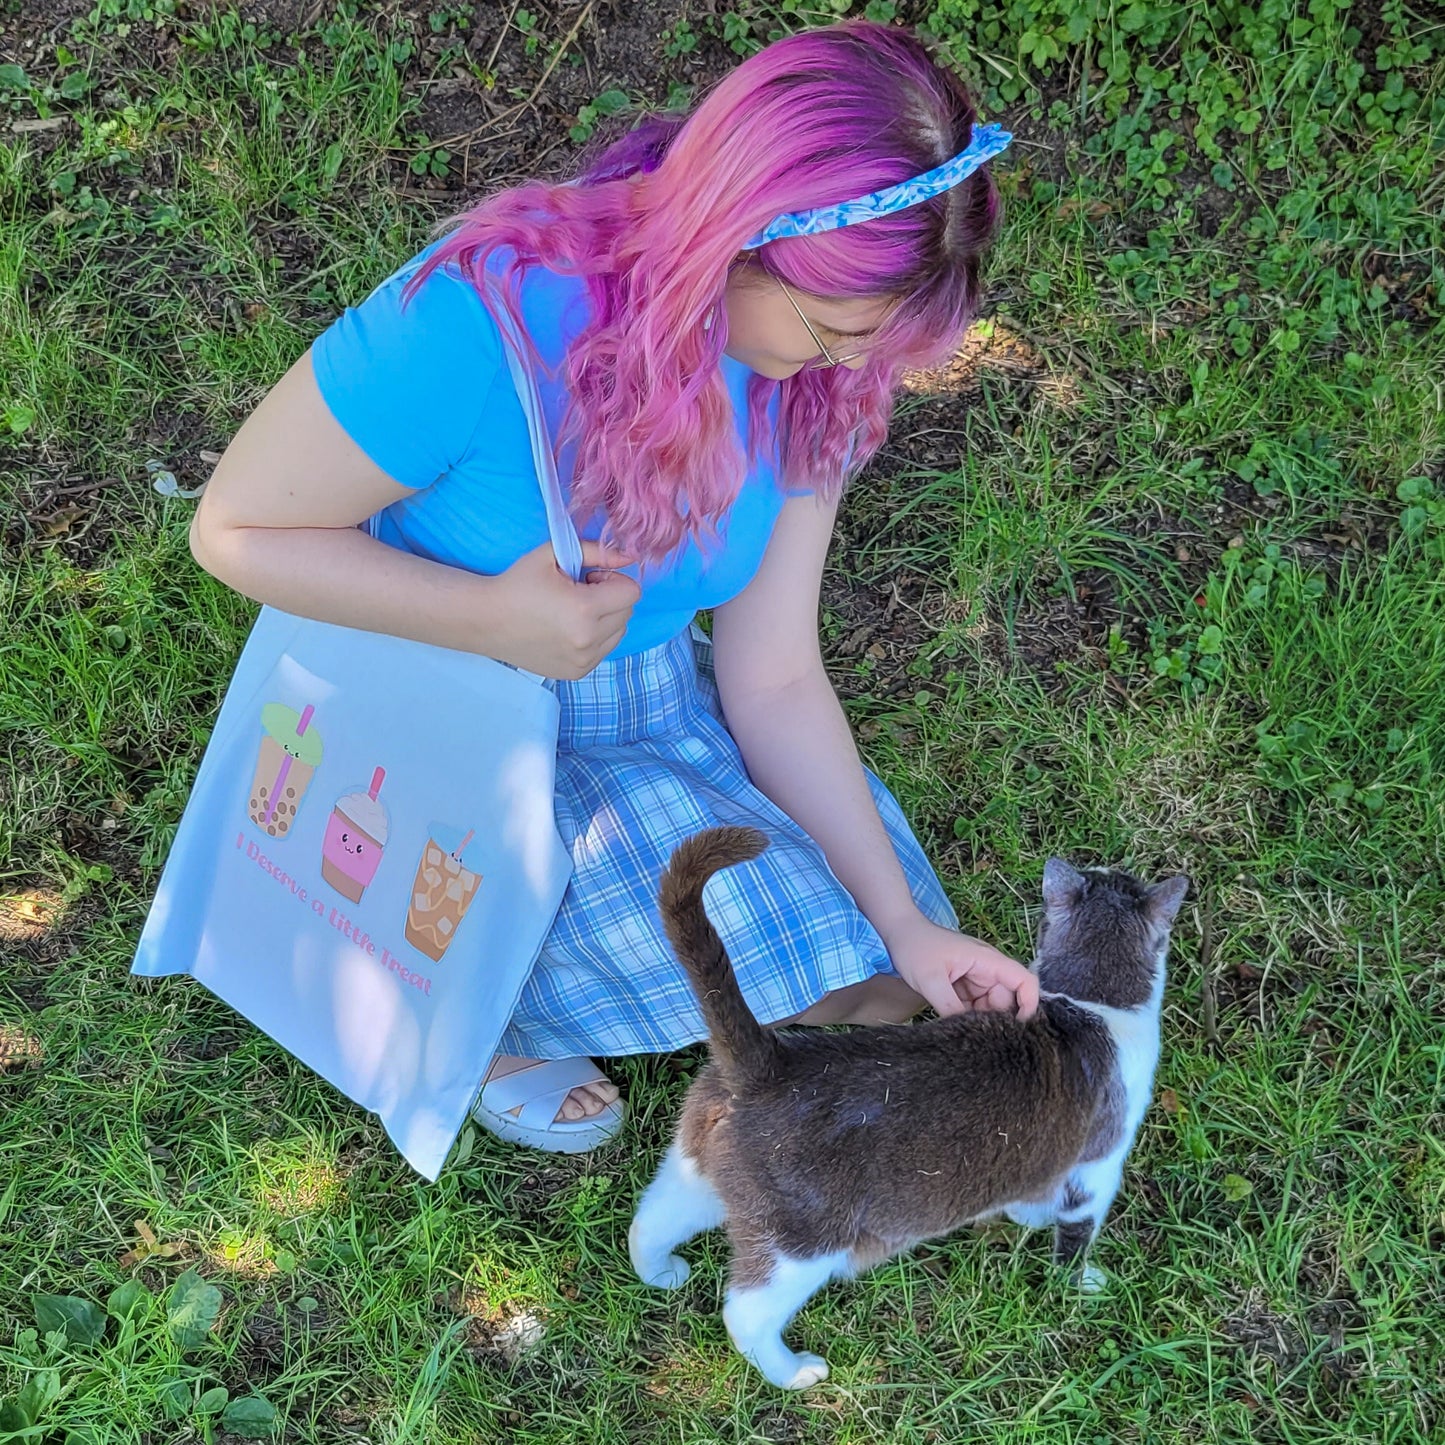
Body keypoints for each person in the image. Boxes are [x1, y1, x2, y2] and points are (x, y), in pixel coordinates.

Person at [188, 18, 1039, 1154]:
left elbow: (774, 671)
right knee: (661, 922)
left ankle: (580, 963)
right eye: (834, 332)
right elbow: (235, 528)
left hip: (638, 706)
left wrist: (901, 921)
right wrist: (484, 615)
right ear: (735, 241)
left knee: (856, 953)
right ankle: (473, 1013)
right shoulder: (476, 318)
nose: (849, 368)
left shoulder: (817, 380)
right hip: (438, 723)